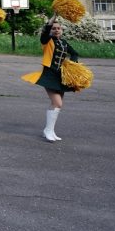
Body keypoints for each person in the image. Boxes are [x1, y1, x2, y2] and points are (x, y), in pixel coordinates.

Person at [22, 14, 81, 142]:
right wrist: (54, 17)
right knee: (57, 102)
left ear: (62, 30)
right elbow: (46, 30)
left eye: (58, 28)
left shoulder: (64, 42)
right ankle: (48, 130)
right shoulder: (47, 41)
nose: (56, 30)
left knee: (58, 105)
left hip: (61, 76)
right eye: (54, 28)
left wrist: (73, 64)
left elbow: (75, 53)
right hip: (49, 75)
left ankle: (50, 130)